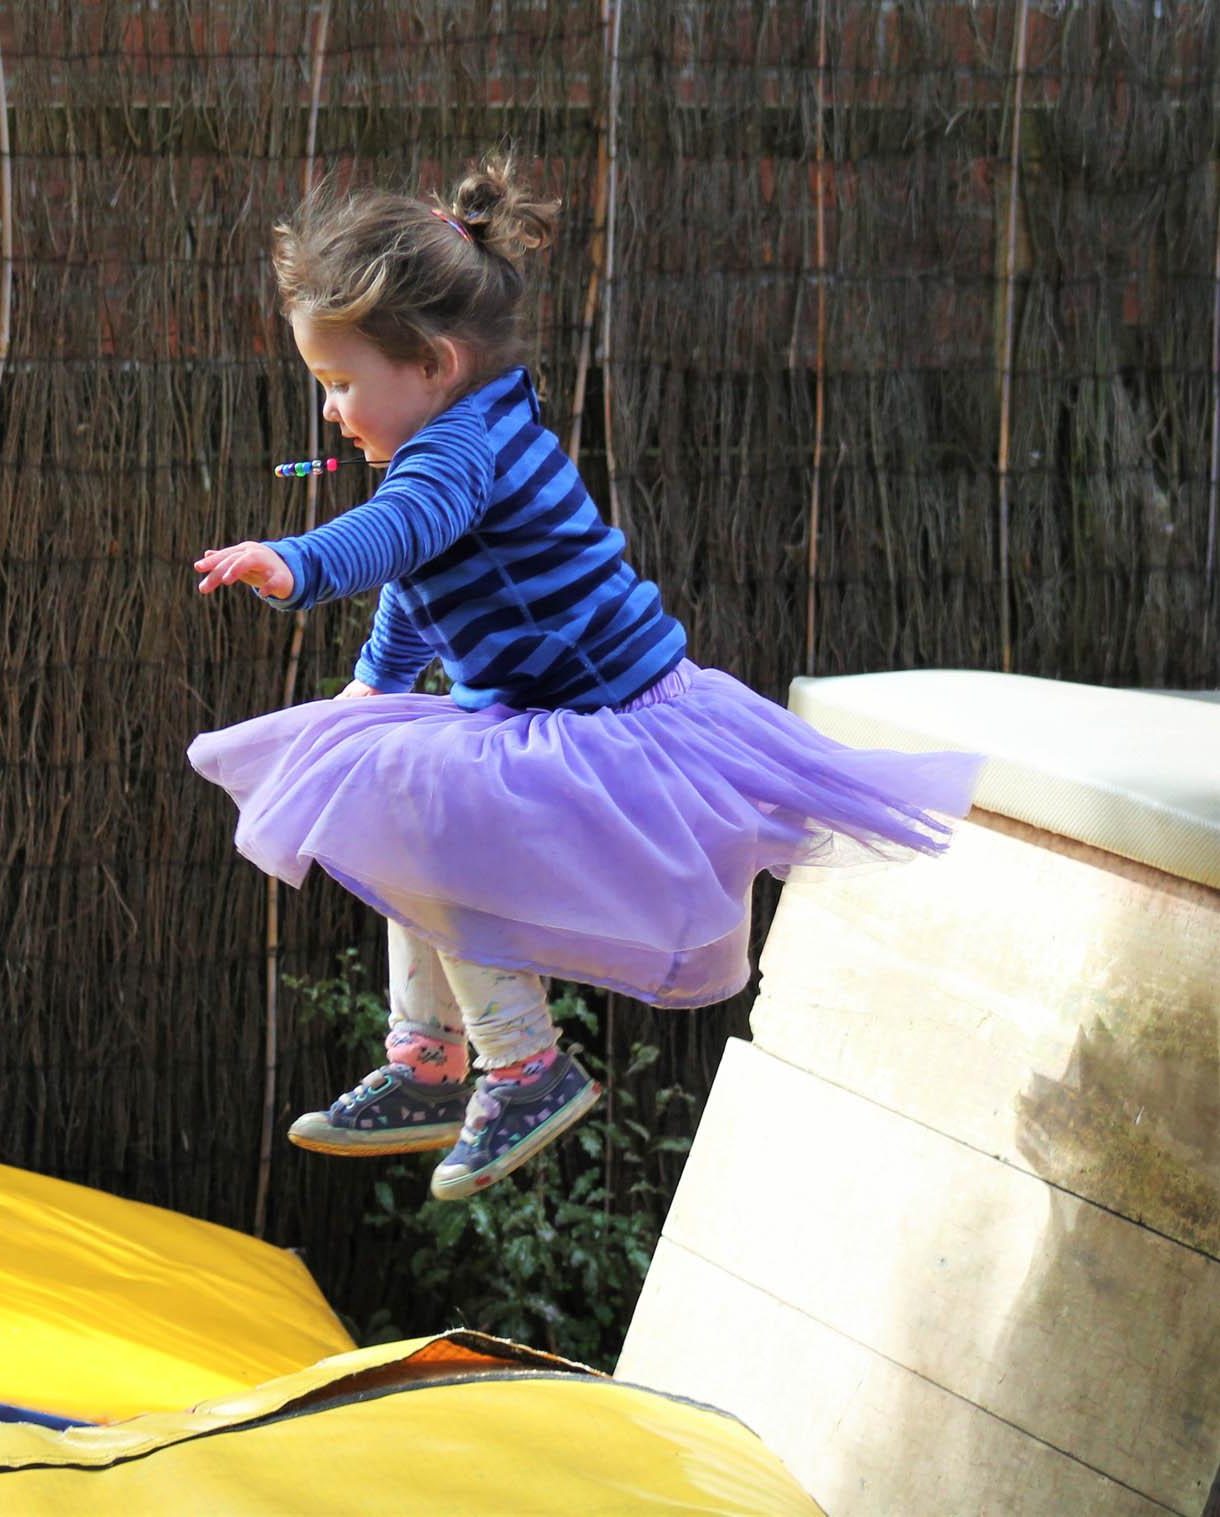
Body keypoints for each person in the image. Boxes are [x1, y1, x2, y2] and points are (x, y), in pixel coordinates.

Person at [188, 157, 982, 1203]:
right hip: (553, 710)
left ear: (429, 361)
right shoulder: (477, 422)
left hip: (607, 719)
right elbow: (430, 584)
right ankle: (432, 1063)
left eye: (340, 384)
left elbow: (397, 536)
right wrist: (375, 685)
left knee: (418, 814)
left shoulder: (450, 458)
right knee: (394, 794)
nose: (330, 412)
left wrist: (299, 564)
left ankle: (523, 1066)